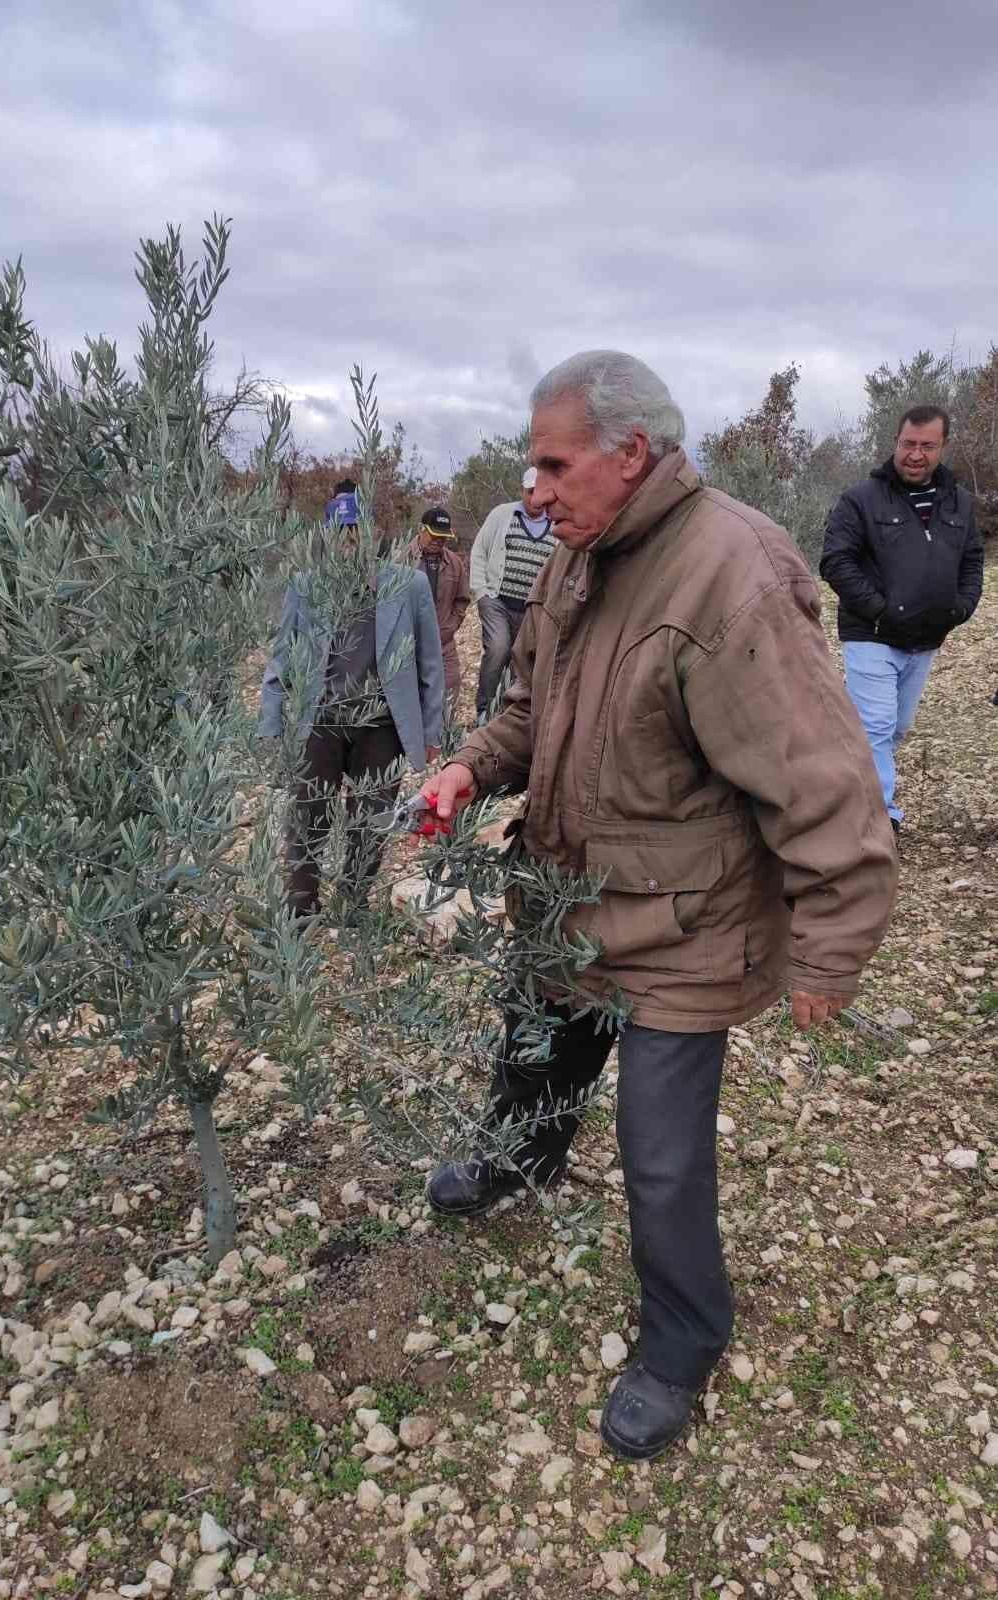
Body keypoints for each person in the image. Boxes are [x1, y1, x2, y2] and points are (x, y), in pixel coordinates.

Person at [419, 350, 897, 1461]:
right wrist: (470, 770)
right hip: (571, 885)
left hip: (687, 919)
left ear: (630, 454)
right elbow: (531, 703)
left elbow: (822, 778)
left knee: (662, 1152)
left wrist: (832, 947)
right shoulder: (573, 558)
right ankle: (520, 1159)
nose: (531, 487)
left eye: (552, 462)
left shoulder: (734, 576)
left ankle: (685, 1336)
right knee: (535, 1048)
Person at [259, 492, 443, 919]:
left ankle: (353, 903)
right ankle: (301, 907)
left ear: (373, 532)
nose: (349, 539)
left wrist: (431, 731)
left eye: (356, 529)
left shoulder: (409, 585)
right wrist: (271, 720)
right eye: (341, 530)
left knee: (372, 820)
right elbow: (283, 655)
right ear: (327, 534)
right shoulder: (306, 585)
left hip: (381, 725)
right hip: (319, 720)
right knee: (307, 817)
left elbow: (430, 663)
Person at [819, 406, 985, 835]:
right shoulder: (861, 499)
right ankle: (881, 822)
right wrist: (880, 609)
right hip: (870, 635)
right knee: (874, 726)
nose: (916, 454)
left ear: (942, 447)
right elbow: (836, 562)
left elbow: (972, 561)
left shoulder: (959, 502)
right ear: (895, 442)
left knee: (894, 728)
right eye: (908, 444)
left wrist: (960, 608)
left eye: (927, 446)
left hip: (926, 639)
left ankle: (844, 792)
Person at [470, 466, 557, 722]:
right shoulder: (502, 515)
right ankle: (484, 711)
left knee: (522, 664)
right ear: (522, 490)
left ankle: (508, 715)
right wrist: (481, 592)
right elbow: (479, 551)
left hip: (534, 609)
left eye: (539, 492)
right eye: (530, 492)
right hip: (497, 600)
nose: (534, 498)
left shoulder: (556, 524)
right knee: (498, 648)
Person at [410, 505, 471, 733]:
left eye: (443, 537)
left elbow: (462, 600)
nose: (439, 540)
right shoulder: (402, 558)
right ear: (421, 530)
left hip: (443, 642)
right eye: (434, 534)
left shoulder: (455, 563)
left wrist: (451, 627)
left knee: (451, 684)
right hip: (409, 645)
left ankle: (442, 736)